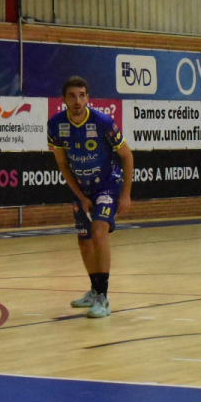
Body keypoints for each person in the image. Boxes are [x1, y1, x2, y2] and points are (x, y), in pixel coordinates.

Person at [47, 76, 134, 319]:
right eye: (72, 96)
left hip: (107, 185)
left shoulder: (102, 121)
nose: (77, 100)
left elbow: (127, 155)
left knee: (98, 231)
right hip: (82, 189)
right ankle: (94, 290)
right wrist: (80, 196)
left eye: (82, 95)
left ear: (88, 98)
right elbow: (63, 164)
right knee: (84, 240)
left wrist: (126, 194)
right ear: (63, 99)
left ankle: (103, 298)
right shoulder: (55, 125)